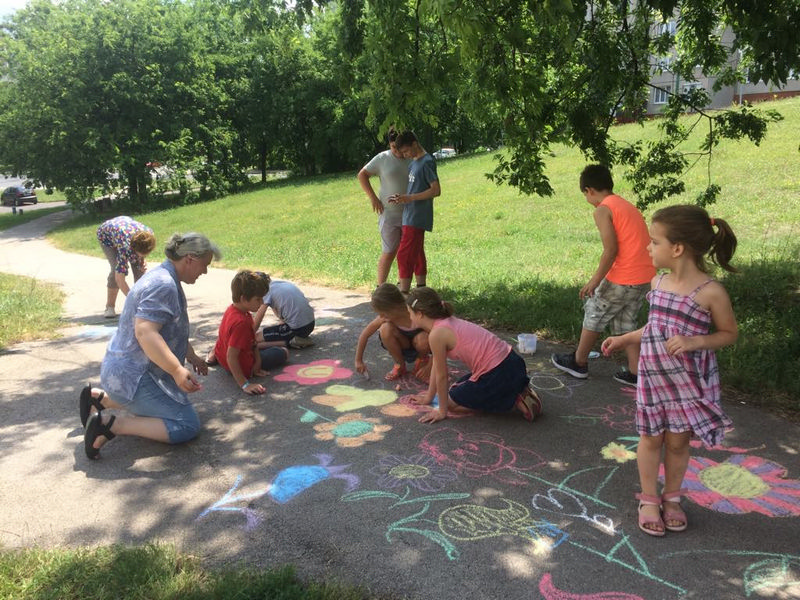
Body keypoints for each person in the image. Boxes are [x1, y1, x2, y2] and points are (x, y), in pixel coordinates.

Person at [601, 205, 738, 536]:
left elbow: (729, 334)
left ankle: (672, 498)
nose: (648, 247)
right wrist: (624, 339)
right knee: (650, 438)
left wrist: (695, 341)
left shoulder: (711, 292)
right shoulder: (658, 282)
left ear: (677, 249)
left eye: (654, 241)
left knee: (677, 443)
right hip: (653, 378)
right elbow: (654, 328)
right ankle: (649, 499)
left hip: (686, 382)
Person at [79, 233, 221, 459]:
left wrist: (192, 357)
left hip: (123, 373)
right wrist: (176, 370)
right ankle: (110, 424)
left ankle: (100, 399)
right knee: (186, 424)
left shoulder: (162, 275)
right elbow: (145, 332)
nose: (204, 271)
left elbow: (171, 329)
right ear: (190, 259)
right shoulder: (164, 285)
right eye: (205, 265)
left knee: (172, 406)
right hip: (135, 377)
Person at [551, 164, 655, 385]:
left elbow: (610, 250)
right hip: (645, 276)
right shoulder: (625, 205)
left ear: (589, 190)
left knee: (595, 311)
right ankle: (636, 373)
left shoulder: (603, 209)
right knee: (626, 324)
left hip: (624, 276)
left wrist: (595, 281)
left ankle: (578, 362)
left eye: (585, 194)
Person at [406, 286, 542, 424]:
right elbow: (436, 365)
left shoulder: (437, 334)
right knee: (455, 389)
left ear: (420, 314)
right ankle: (515, 389)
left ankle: (514, 400)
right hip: (512, 364)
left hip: (498, 374)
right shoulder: (446, 322)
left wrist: (442, 410)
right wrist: (429, 397)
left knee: (450, 404)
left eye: (410, 313)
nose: (409, 317)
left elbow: (442, 376)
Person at [212, 270, 289, 395]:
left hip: (223, 359)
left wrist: (257, 358)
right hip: (242, 366)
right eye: (258, 299)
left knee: (263, 346)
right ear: (243, 299)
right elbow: (231, 357)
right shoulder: (242, 322)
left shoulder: (232, 310)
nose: (262, 303)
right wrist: (245, 384)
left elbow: (249, 342)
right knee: (284, 352)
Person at [357, 129, 411, 286]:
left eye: (399, 147)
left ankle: (403, 286)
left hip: (409, 213)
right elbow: (362, 175)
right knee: (389, 251)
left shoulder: (410, 156)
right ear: (389, 144)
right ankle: (380, 288)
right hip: (388, 214)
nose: (398, 152)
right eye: (394, 147)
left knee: (405, 252)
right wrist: (373, 198)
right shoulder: (383, 158)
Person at [389, 131, 441, 294]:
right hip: (409, 214)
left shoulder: (427, 162)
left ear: (414, 144)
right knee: (417, 252)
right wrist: (402, 198)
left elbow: (436, 190)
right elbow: (415, 188)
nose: (405, 155)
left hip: (417, 216)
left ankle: (404, 292)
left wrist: (410, 198)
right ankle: (421, 288)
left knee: (404, 254)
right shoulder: (413, 163)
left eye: (406, 151)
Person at [355, 283, 432, 381]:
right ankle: (400, 365)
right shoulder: (385, 318)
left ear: (394, 307)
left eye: (383, 313)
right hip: (403, 345)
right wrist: (358, 360)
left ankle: (422, 362)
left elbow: (438, 337)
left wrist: (430, 365)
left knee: (423, 338)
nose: (381, 316)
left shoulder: (416, 312)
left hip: (420, 345)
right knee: (385, 328)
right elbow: (365, 335)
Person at [96, 216, 156, 318]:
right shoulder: (125, 247)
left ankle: (143, 304)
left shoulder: (149, 235)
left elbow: (141, 254)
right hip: (106, 235)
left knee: (139, 269)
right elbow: (120, 279)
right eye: (141, 254)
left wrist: (141, 261)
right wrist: (132, 300)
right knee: (115, 268)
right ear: (133, 249)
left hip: (125, 227)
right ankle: (110, 307)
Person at [254, 277, 315, 349]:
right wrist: (282, 321)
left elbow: (259, 315)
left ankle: (292, 342)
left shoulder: (266, 292)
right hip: (310, 324)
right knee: (277, 329)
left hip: (297, 328)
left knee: (255, 339)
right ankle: (296, 338)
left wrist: (250, 334)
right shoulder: (280, 284)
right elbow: (277, 307)